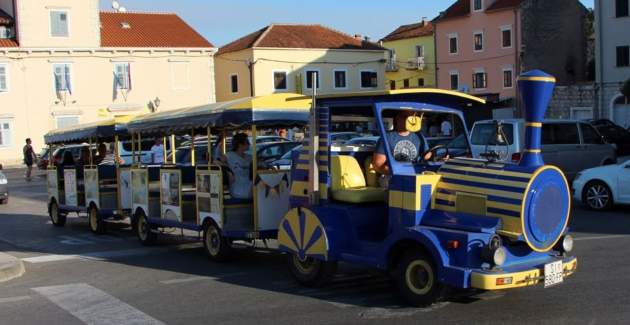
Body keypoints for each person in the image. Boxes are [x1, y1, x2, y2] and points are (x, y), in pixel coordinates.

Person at [373, 111, 431, 175]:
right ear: (397, 118)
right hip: (391, 176)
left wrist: (439, 157)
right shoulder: (386, 137)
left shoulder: (419, 136)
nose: (410, 120)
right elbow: (378, 165)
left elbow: (427, 157)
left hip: (416, 174)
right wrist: (399, 173)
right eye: (405, 117)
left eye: (412, 117)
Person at [224, 133, 253, 199]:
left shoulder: (249, 157)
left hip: (249, 187)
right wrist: (229, 172)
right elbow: (216, 162)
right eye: (247, 142)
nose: (249, 144)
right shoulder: (229, 155)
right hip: (237, 190)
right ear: (240, 145)